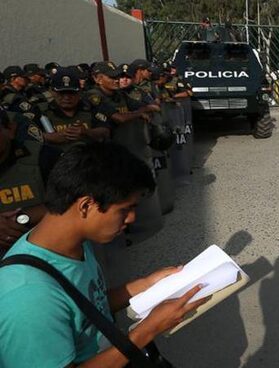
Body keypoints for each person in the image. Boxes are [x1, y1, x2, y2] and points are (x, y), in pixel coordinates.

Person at [0, 142, 209, 367]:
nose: (131, 218)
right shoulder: (28, 298)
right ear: (86, 206)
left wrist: (147, 284)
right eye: (124, 209)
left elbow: (88, 306)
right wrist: (148, 330)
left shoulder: (73, 242)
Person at [0, 109, 60, 253]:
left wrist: (23, 218)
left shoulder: (45, 158)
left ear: (11, 130)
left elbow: (78, 200)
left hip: (44, 251)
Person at [39, 66, 110, 150]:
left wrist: (86, 132)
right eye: (62, 93)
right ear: (52, 92)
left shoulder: (90, 107)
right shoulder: (41, 111)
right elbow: (29, 135)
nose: (67, 97)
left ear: (79, 92)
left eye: (71, 92)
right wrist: (52, 137)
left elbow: (106, 131)